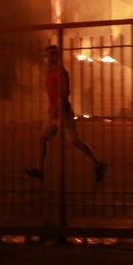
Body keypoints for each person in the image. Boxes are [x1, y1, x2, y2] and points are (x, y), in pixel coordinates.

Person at [26, 45, 107, 182]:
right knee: (43, 139)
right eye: (47, 55)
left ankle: (97, 163)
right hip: (52, 113)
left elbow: (64, 92)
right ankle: (40, 170)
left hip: (63, 112)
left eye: (52, 54)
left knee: (74, 141)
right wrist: (52, 110)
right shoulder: (49, 72)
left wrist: (57, 109)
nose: (48, 57)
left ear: (56, 56)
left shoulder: (61, 72)